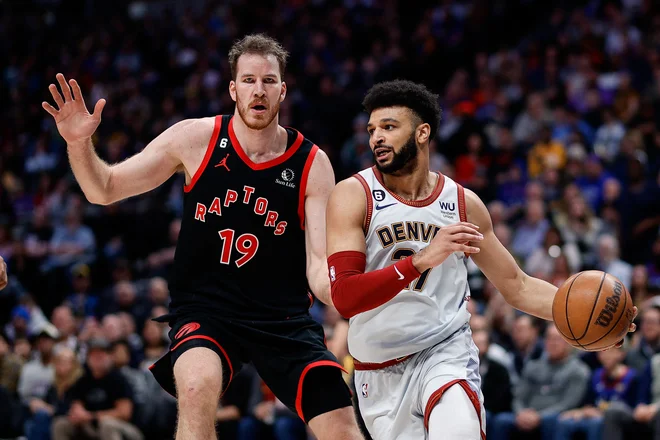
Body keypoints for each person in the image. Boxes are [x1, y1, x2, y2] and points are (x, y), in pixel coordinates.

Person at [42, 33, 360, 440]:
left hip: (283, 319)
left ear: (283, 89)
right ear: (233, 89)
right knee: (194, 388)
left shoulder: (312, 164)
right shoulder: (195, 139)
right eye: (248, 80)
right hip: (207, 310)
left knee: (342, 429)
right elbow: (103, 189)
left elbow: (318, 266)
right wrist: (79, 142)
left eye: (268, 81)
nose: (258, 91)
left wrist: (351, 294)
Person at [325, 79, 637, 440]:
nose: (376, 137)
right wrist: (422, 259)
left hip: (444, 351)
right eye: (372, 129)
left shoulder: (462, 203)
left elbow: (516, 285)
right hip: (378, 371)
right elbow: (345, 297)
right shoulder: (354, 195)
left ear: (422, 132)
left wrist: (598, 320)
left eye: (389, 127)